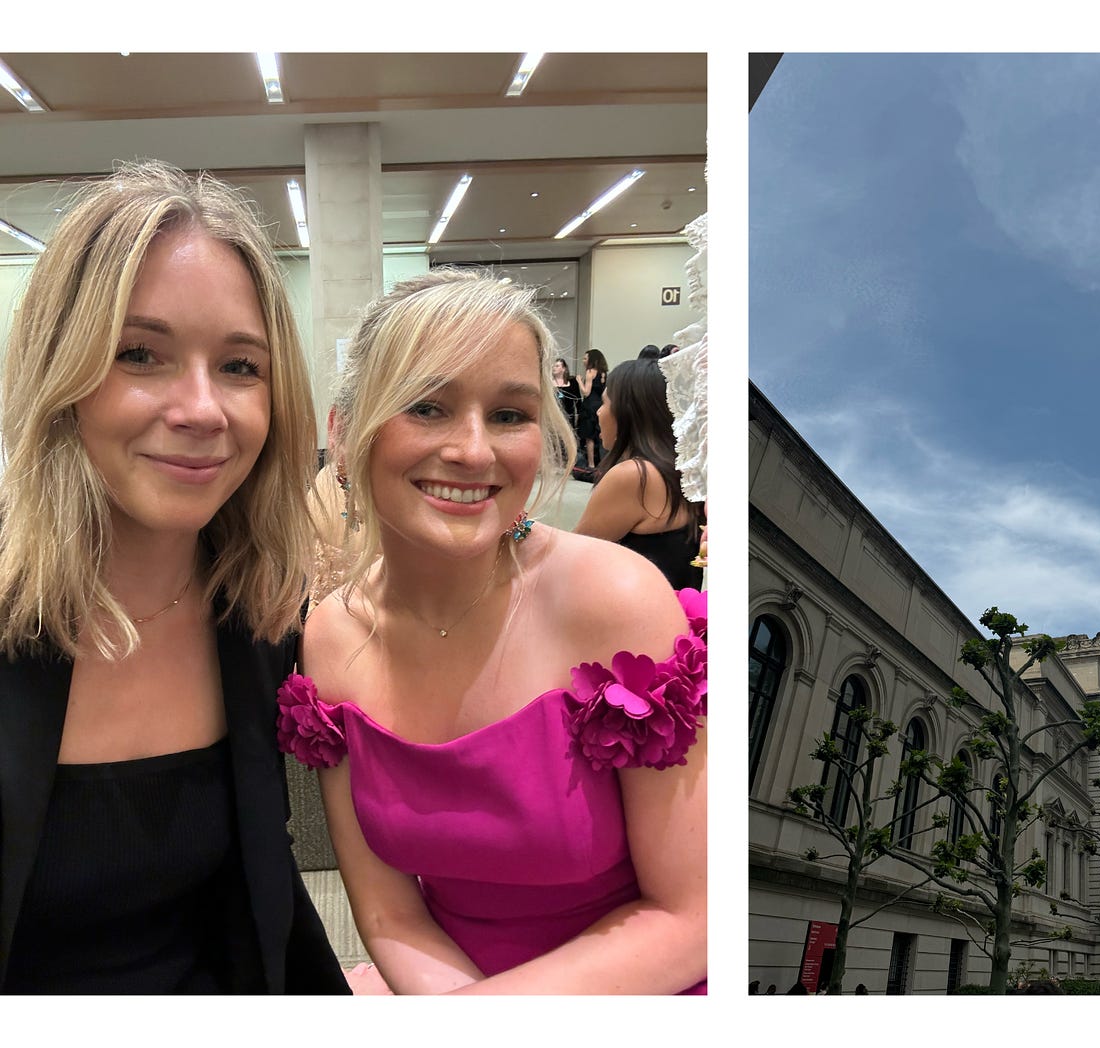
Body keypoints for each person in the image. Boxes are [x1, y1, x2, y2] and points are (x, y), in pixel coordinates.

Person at [280, 268, 707, 994]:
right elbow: (387, 914)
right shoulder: (330, 640)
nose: (475, 451)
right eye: (426, 406)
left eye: (509, 415)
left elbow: (693, 917)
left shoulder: (614, 602)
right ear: (344, 434)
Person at [0, 160, 347, 993]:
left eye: (238, 366)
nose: (202, 409)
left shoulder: (262, 616)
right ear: (62, 376)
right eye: (141, 354)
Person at [574, 359, 704, 591]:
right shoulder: (684, 473)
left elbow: (571, 558)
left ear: (628, 412)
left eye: (604, 402)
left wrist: (518, 527)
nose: (598, 411)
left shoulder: (635, 476)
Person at [576, 348, 609, 470]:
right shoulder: (603, 373)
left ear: (591, 360)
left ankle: (591, 464)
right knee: (599, 435)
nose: (583, 361)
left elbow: (586, 392)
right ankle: (603, 463)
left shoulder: (590, 372)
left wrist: (579, 381)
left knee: (589, 436)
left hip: (589, 406)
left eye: (585, 358)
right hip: (599, 404)